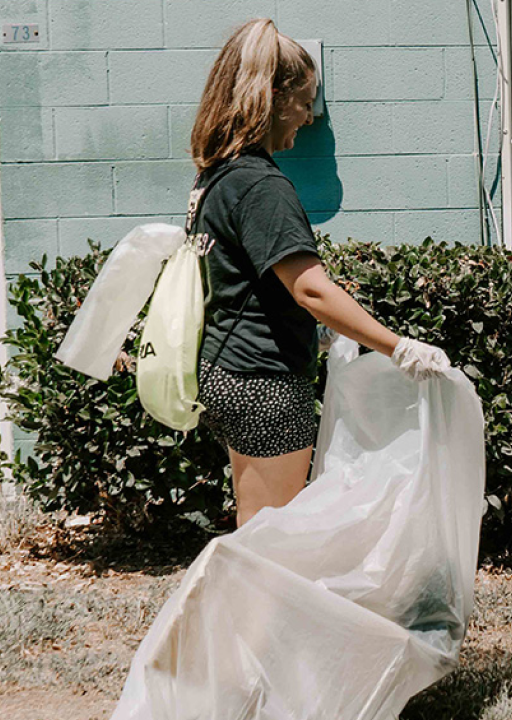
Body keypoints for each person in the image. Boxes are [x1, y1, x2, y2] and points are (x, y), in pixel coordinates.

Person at [189, 19, 450, 527]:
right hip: (263, 380)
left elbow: (241, 279)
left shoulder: (216, 176)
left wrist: (317, 332)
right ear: (272, 97)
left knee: (256, 524)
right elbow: (311, 289)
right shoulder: (261, 185)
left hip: (228, 370)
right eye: (305, 102)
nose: (309, 117)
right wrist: (399, 347)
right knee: (269, 533)